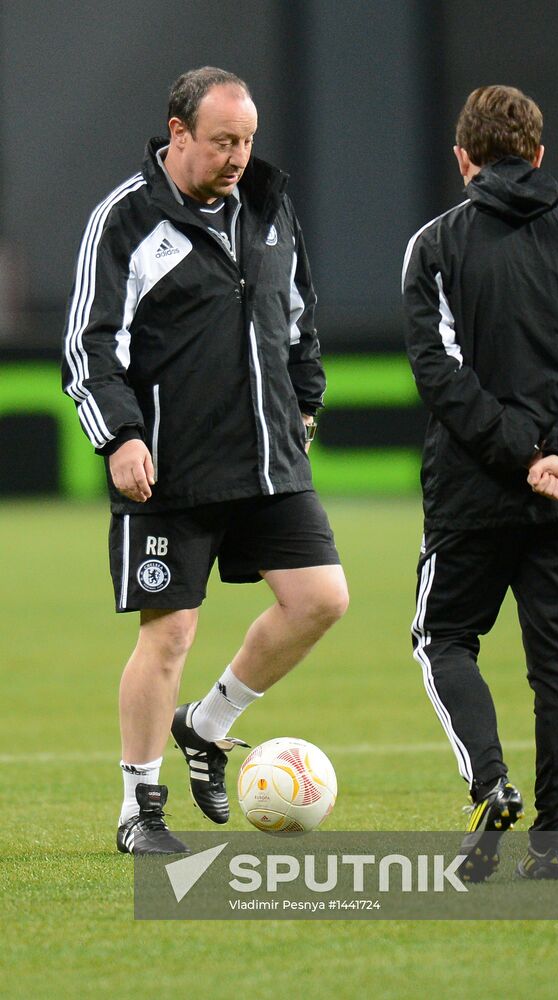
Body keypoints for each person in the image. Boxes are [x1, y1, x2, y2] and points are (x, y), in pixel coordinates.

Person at [62, 67, 348, 855]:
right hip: (172, 468)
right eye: (223, 141)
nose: (238, 157)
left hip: (266, 459)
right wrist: (119, 436)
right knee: (170, 634)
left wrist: (306, 401)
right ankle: (139, 812)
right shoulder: (124, 220)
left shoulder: (266, 204)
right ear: (177, 132)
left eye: (248, 141)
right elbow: (89, 348)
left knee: (321, 599)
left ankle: (208, 725)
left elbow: (298, 317)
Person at [401, 85, 558, 882]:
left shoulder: (435, 246)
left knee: (442, 638)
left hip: (473, 492)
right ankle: (554, 843)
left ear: (462, 158)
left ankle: (488, 782)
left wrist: (517, 454)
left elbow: (438, 371)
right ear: (539, 155)